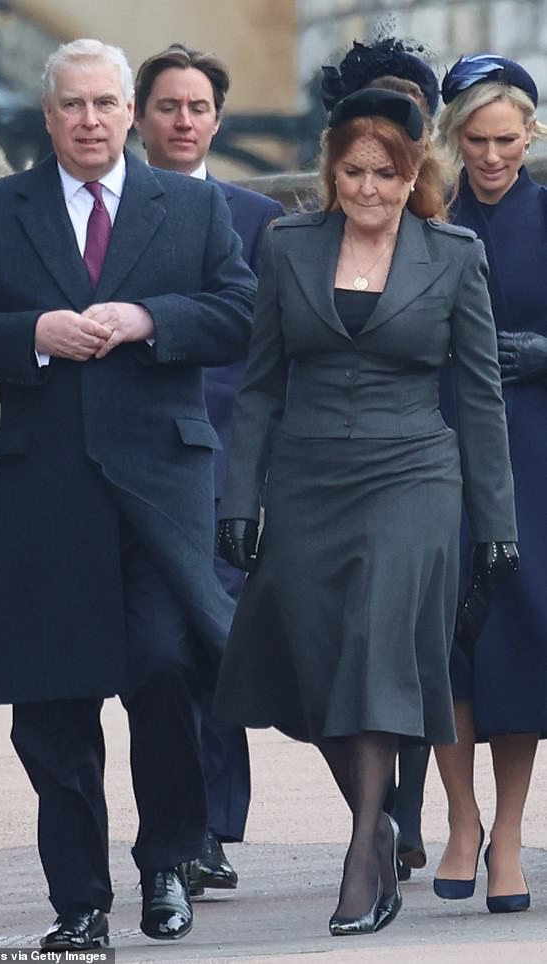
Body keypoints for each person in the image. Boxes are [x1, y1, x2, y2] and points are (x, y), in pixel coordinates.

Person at [0, 38, 256, 948]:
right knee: (55, 705)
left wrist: (150, 318)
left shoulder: (189, 208)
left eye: (106, 104)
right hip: (49, 489)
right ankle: (79, 902)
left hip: (161, 487)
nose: (89, 120)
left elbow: (238, 310)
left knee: (164, 671)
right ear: (49, 115)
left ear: (129, 112)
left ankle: (165, 867)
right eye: (72, 105)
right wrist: (34, 332)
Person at [212, 86, 518, 937]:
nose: (371, 188)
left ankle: (360, 855)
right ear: (331, 169)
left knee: (377, 645)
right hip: (307, 475)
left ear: (413, 173)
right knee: (312, 662)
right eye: (354, 171)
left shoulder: (453, 255)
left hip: (414, 474)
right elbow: (261, 382)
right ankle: (381, 818)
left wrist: (497, 526)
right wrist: (241, 499)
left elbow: (483, 398)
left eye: (387, 173)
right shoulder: (287, 246)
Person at [134, 41, 284, 895]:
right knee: (158, 651)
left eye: (197, 108)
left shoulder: (258, 218)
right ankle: (180, 825)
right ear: (140, 118)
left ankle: (213, 828)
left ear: (217, 120)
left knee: (218, 641)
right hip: (135, 461)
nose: (184, 120)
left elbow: (270, 358)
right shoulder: (106, 216)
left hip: (228, 457)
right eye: (167, 106)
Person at [322, 35, 444, 883]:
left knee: (401, 639)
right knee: (344, 645)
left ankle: (401, 815)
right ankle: (384, 812)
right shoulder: (309, 232)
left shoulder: (445, 229)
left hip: (428, 455)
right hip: (327, 461)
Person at [432, 54, 547, 914]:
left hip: (537, 451)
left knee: (514, 639)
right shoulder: (423, 213)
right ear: (452, 137)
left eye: (507, 139)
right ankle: (459, 818)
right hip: (439, 446)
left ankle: (508, 832)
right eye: (476, 139)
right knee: (444, 638)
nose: (492, 155)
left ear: (532, 134)